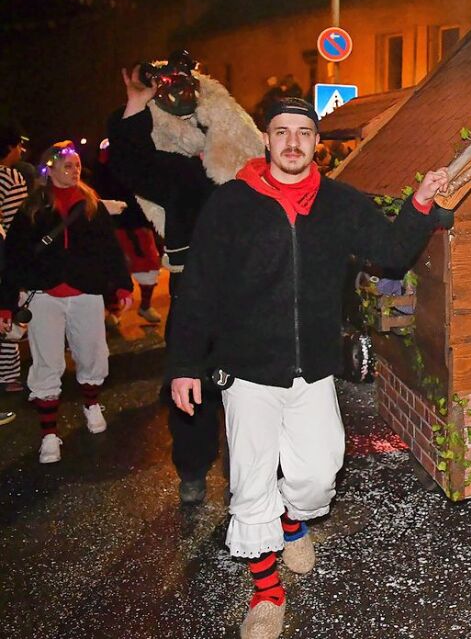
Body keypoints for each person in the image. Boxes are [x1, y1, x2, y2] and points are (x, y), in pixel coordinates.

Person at [167, 97, 446, 639]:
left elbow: (390, 252)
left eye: (303, 133)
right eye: (281, 132)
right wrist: (183, 363)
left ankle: (293, 520)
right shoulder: (230, 204)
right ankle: (267, 593)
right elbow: (198, 287)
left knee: (319, 475)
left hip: (312, 368)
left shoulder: (338, 202)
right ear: (266, 140)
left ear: (316, 143)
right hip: (246, 370)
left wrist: (419, 204)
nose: (292, 142)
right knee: (250, 484)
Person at [108, 60, 263, 504]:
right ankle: (193, 470)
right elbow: (129, 162)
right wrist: (137, 102)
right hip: (192, 296)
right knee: (190, 386)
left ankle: (249, 481)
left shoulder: (251, 175)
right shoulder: (179, 174)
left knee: (251, 393)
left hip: (244, 298)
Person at [1, 141, 133, 463]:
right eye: (67, 165)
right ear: (50, 169)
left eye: (76, 166)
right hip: (44, 296)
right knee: (47, 363)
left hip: (85, 293)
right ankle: (49, 435)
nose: (74, 171)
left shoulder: (91, 205)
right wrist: (5, 303)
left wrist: (121, 286)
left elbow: (110, 251)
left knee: (92, 354)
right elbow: (13, 257)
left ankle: (91, 405)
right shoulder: (32, 207)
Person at [93, 138, 163, 325]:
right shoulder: (105, 155)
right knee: (113, 271)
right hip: (113, 225)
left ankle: (145, 306)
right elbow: (99, 185)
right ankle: (114, 311)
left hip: (139, 222)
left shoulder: (139, 157)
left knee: (149, 266)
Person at [0, 125, 29, 392]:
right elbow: (16, 224)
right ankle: (7, 377)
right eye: (19, 146)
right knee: (6, 313)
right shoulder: (10, 177)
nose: (21, 151)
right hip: (4, 256)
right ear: (9, 148)